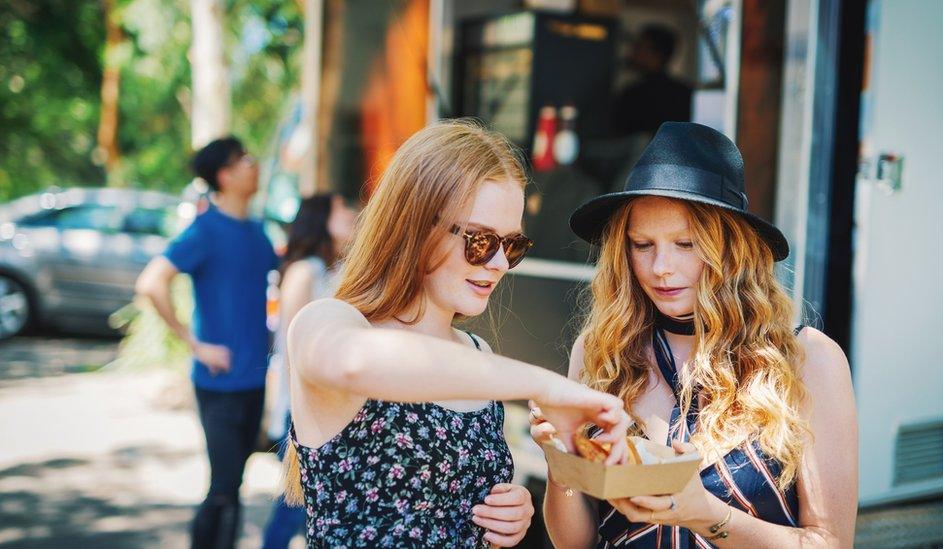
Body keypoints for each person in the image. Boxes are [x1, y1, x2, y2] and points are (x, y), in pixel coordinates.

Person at [281, 119, 632, 548]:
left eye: (513, 245)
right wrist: (547, 386)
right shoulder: (329, 321)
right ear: (416, 224)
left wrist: (512, 512)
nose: (501, 263)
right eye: (482, 241)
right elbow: (354, 362)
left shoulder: (475, 350)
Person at [531, 122, 858, 547]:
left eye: (685, 244)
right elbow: (574, 543)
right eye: (641, 244)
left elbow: (831, 543)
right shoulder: (599, 353)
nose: (660, 267)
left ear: (732, 247)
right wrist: (563, 458)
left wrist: (706, 516)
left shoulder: (806, 359)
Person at [135, 137, 279, 549]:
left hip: (253, 381)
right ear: (225, 175)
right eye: (245, 160)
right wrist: (194, 344)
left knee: (232, 486)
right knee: (223, 488)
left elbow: (282, 270)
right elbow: (151, 282)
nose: (255, 165)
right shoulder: (205, 230)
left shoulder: (256, 232)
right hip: (218, 385)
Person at [262, 193, 356, 549]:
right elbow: (292, 347)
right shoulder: (305, 271)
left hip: (328, 407)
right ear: (321, 219)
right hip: (303, 409)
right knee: (295, 510)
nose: (350, 213)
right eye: (341, 208)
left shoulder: (334, 269)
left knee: (315, 514)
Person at [610, 24, 692, 137]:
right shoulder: (686, 92)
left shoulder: (633, 95)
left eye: (638, 47)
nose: (631, 52)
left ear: (657, 54)